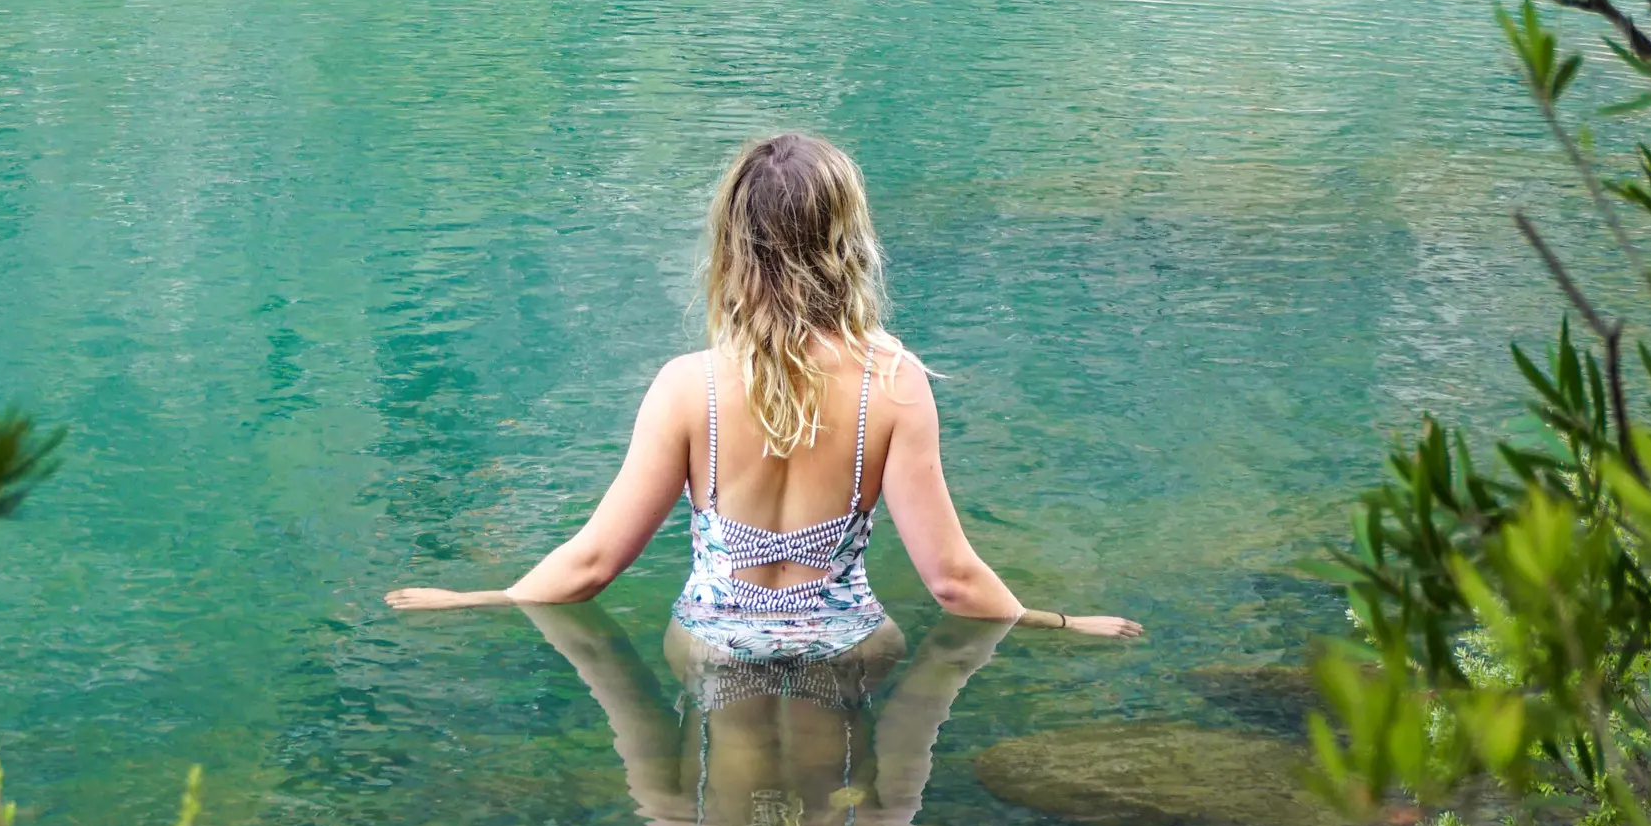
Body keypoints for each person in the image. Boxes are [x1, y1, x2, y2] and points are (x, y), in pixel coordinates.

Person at [385, 129, 1143, 657]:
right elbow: (951, 581)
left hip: (715, 645)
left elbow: (589, 568)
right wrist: (1062, 622)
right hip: (848, 643)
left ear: (732, 245)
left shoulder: (687, 387)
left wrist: (473, 602)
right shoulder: (894, 383)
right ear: (846, 243)